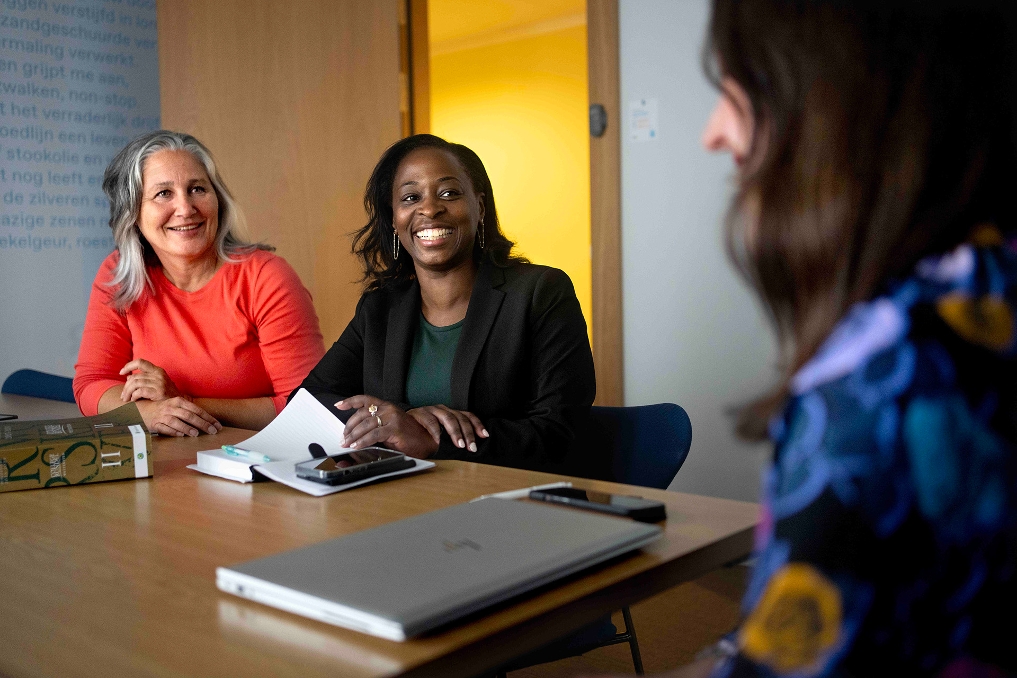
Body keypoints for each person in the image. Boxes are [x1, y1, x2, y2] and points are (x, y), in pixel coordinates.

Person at [589, 2, 1017, 677]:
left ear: (838, 98)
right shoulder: (991, 287)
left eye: (740, 89)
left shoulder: (884, 378)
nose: (713, 131)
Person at [297, 134, 597, 474]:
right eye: (411, 197)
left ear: (479, 207)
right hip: (400, 500)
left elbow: (559, 434)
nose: (429, 209)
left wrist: (431, 438)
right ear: (394, 220)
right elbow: (306, 402)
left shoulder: (541, 292)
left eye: (449, 193)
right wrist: (403, 416)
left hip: (516, 504)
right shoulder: (380, 308)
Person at [73, 130, 325, 436]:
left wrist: (182, 403)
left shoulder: (267, 277)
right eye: (163, 193)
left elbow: (308, 407)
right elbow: (92, 384)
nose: (185, 208)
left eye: (197, 189)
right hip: (169, 463)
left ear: (218, 200)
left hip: (257, 461)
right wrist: (150, 415)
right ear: (134, 213)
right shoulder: (118, 274)